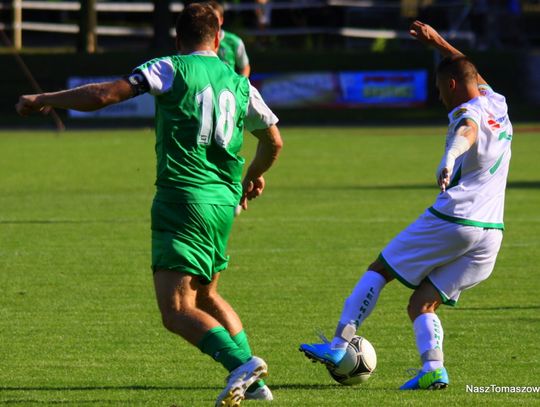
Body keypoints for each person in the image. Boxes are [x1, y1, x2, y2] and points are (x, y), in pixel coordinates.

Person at [16, 4, 282, 406]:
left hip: (182, 198)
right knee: (207, 296)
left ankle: (240, 365)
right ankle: (257, 385)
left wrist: (45, 97)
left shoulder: (171, 67)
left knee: (176, 310)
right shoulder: (239, 82)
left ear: (178, 39)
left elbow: (105, 94)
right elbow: (273, 141)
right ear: (217, 39)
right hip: (222, 204)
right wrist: (249, 181)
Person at [300, 20, 512, 391]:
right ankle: (433, 369)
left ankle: (338, 344)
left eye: (439, 89)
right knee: (422, 303)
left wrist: (448, 158)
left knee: (380, 269)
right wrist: (438, 42)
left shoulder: (469, 112)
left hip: (456, 217)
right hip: (491, 234)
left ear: (450, 85)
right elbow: (466, 67)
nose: (440, 97)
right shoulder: (497, 102)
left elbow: (466, 132)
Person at [206, 0, 251, 77]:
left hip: (228, 87)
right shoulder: (198, 41)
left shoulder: (234, 41)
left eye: (215, 19)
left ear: (221, 20)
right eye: (208, 18)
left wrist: (239, 85)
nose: (211, 22)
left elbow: (245, 67)